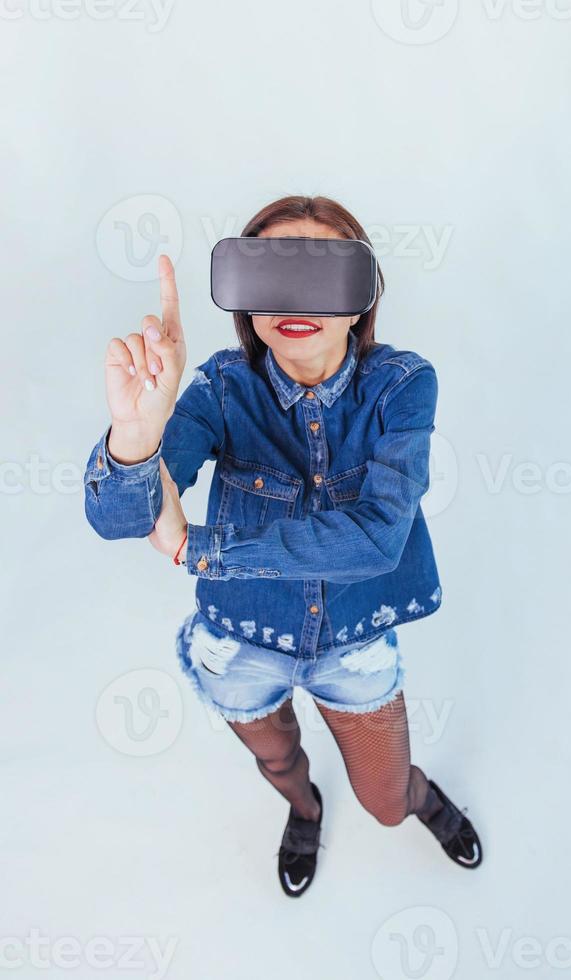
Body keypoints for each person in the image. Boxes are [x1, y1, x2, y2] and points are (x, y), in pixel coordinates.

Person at [83, 194, 483, 898]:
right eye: (272, 275)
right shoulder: (220, 387)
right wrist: (136, 437)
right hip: (240, 641)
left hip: (354, 640)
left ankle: (417, 798)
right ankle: (304, 812)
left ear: (361, 299)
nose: (295, 300)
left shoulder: (402, 384)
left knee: (386, 800)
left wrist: (201, 548)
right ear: (245, 299)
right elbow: (120, 516)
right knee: (279, 763)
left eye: (322, 273)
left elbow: (377, 537)